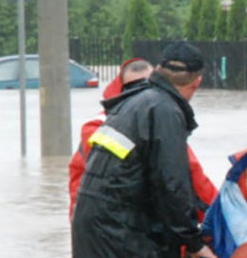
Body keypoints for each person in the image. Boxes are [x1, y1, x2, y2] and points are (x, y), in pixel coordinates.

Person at [69, 41, 219, 258]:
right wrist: (193, 241)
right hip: (125, 245)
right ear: (197, 83)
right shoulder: (164, 110)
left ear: (159, 70)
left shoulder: (132, 103)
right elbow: (173, 185)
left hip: (97, 238)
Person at [69, 58, 217, 221]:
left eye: (146, 86)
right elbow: (188, 183)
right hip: (124, 231)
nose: (141, 93)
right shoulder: (153, 124)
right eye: (135, 88)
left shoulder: (102, 126)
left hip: (103, 230)